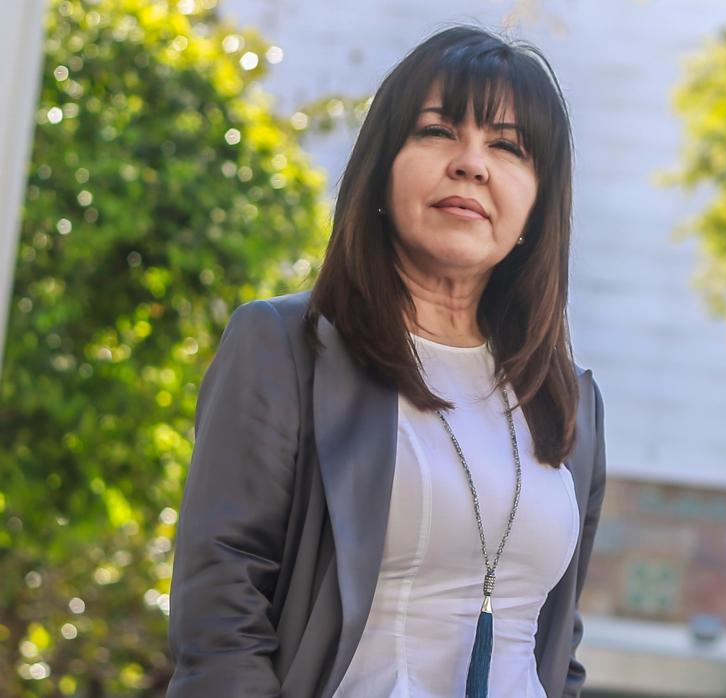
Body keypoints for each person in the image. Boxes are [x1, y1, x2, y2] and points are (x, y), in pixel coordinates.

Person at [166, 24, 607, 698]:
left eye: (508, 147)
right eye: (437, 132)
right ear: (381, 167)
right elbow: (222, 604)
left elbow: (558, 643)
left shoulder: (569, 398)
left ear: (539, 202)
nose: (471, 163)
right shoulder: (287, 348)